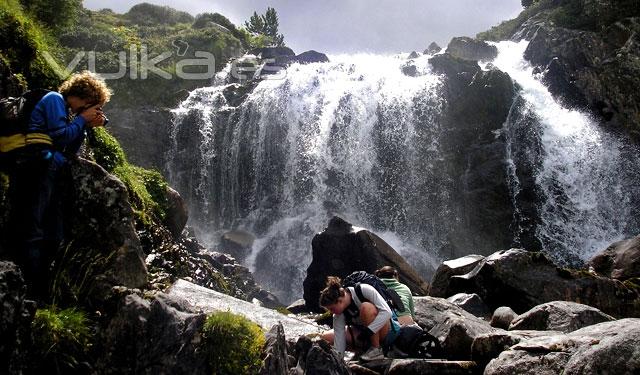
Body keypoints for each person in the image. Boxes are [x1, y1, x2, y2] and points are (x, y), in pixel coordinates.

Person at [6, 70, 110, 299]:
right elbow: (60, 138)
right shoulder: (54, 99)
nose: (95, 110)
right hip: (34, 168)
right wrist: (82, 120)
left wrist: (84, 124)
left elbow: (68, 149)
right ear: (85, 97)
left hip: (48, 171)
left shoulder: (67, 113)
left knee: (52, 233)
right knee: (32, 227)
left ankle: (40, 286)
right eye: (95, 105)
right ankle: (28, 290)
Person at [319, 276, 401, 361]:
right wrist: (339, 361)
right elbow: (339, 341)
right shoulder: (338, 315)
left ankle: (376, 350)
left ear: (340, 300)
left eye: (332, 309)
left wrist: (370, 330)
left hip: (387, 331)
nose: (331, 312)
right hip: (365, 336)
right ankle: (362, 352)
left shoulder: (364, 290)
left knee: (366, 307)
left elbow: (387, 312)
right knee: (326, 337)